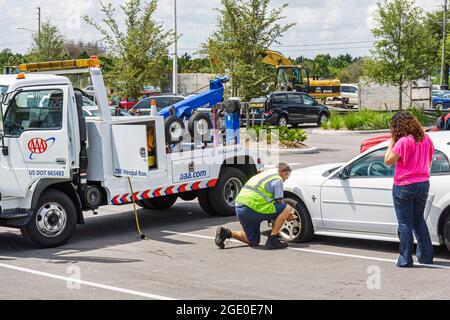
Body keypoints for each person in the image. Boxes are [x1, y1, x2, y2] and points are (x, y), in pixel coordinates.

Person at [384, 112, 434, 268]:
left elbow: (387, 161)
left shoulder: (403, 142)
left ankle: (405, 259)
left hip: (404, 185)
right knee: (419, 220)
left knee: (405, 223)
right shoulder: (426, 139)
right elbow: (430, 161)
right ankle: (425, 256)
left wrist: (391, 141)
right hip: (423, 183)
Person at [215, 163, 297, 250]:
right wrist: (287, 215)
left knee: (253, 240)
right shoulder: (278, 179)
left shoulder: (265, 174)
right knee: (287, 208)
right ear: (284, 172)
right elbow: (279, 201)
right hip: (253, 208)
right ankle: (272, 240)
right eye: (287, 176)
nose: (287, 178)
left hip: (240, 207)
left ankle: (226, 233)